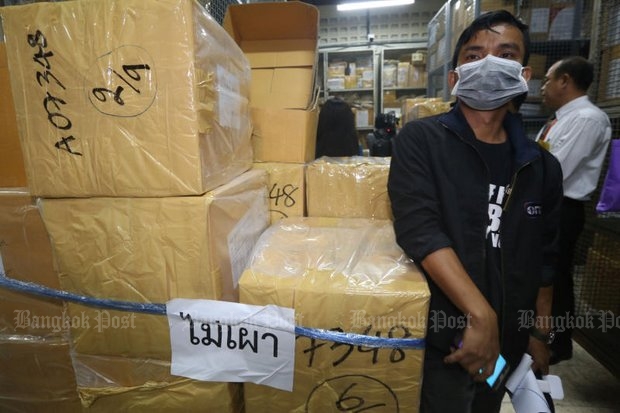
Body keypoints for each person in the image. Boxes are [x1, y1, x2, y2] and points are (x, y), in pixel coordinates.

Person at [387, 10, 563, 413]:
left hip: (507, 340)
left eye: (504, 53)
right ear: (454, 77)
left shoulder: (541, 166)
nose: (487, 64)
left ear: (523, 74)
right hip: (446, 335)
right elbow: (420, 228)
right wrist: (479, 315)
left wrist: (538, 332)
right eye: (473, 55)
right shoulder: (422, 141)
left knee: (486, 405)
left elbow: (548, 259)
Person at [535, 56, 612, 364]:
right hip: (546, 203)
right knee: (544, 275)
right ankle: (541, 334)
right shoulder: (560, 118)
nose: (543, 87)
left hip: (562, 207)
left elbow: (556, 170)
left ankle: (557, 343)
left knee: (556, 277)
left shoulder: (587, 119)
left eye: (548, 79)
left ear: (565, 80)